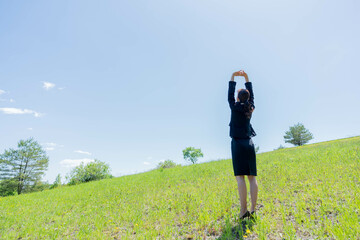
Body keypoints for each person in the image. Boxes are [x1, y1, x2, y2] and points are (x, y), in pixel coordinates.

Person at [228, 70, 258, 220]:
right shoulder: (250, 107)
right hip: (250, 143)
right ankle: (253, 209)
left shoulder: (234, 106)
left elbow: (230, 93)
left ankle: (243, 210)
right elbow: (251, 94)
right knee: (252, 178)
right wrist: (246, 78)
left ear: (237, 97)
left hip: (238, 144)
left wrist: (233, 76)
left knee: (240, 177)